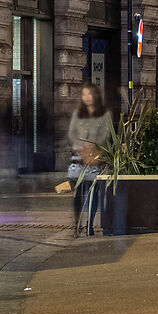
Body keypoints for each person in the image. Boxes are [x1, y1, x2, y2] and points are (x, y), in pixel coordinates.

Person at [64, 85, 113, 236]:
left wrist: (93, 148)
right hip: (79, 158)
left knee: (93, 193)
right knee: (78, 193)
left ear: (96, 95)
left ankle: (90, 224)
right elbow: (71, 134)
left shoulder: (105, 114)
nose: (86, 97)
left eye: (89, 94)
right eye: (84, 94)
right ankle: (76, 224)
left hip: (95, 158)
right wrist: (79, 146)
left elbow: (106, 135)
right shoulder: (78, 114)